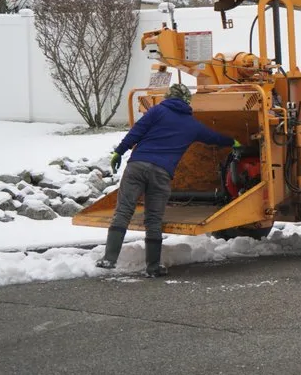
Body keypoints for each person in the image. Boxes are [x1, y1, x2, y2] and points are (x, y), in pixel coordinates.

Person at [95, 83, 239, 277]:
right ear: (187, 101)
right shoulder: (193, 125)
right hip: (161, 174)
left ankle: (109, 259)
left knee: (123, 211)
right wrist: (234, 141)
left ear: (169, 97)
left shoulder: (157, 111)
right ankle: (153, 268)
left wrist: (119, 152)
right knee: (153, 219)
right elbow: (214, 138)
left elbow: (136, 132)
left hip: (137, 166)